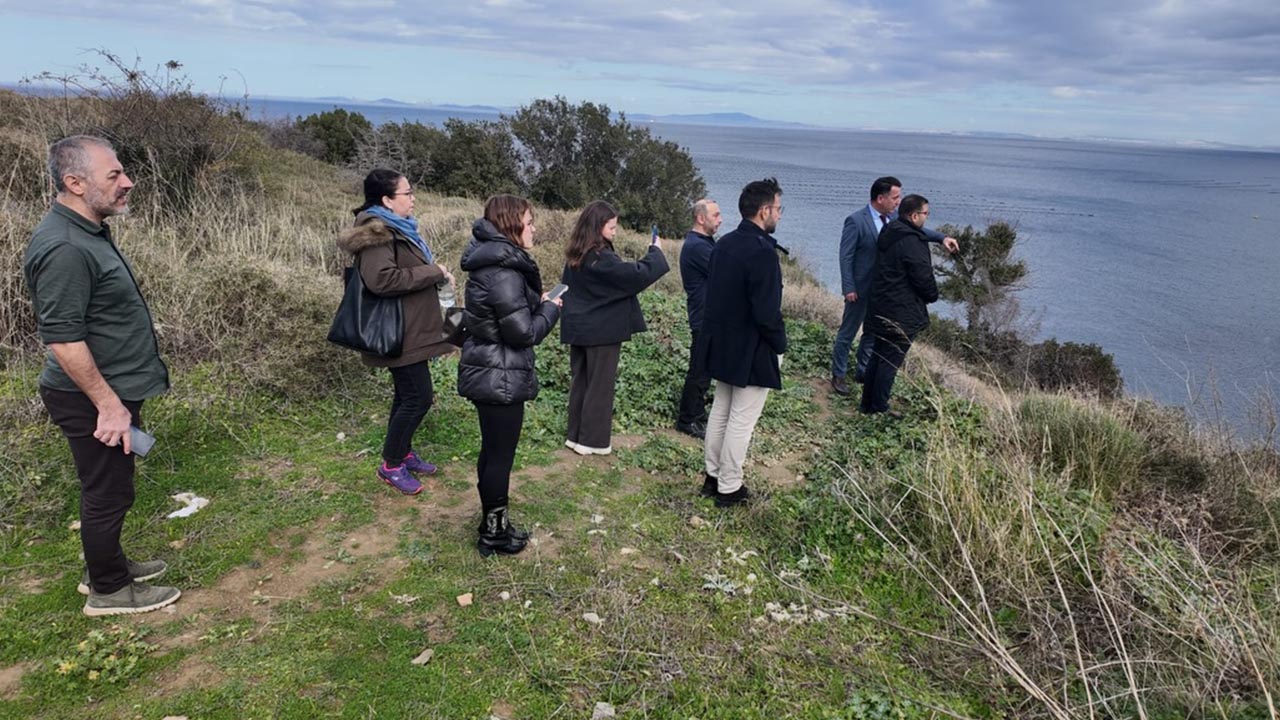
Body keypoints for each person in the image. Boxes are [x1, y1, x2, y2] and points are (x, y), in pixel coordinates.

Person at [23, 135, 180, 616]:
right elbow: (64, 339)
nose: (127, 182)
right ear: (74, 182)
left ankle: (105, 566)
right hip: (91, 396)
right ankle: (109, 590)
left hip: (109, 390)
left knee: (111, 486)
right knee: (108, 491)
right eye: (113, 175)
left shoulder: (84, 231)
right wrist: (108, 405)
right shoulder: (66, 247)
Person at [337, 168, 455, 495]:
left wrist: (437, 276)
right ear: (387, 200)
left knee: (407, 395)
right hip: (400, 333)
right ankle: (391, 464)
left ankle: (401, 452)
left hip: (411, 328)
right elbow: (382, 280)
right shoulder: (378, 233)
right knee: (419, 397)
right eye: (407, 193)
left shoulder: (399, 229)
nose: (413, 198)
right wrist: (434, 272)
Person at [457, 195, 562, 557]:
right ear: (511, 225)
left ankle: (492, 524)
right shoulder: (504, 272)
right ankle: (494, 535)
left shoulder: (493, 264)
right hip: (499, 375)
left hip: (488, 369)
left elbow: (505, 314)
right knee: (499, 458)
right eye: (530, 222)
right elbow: (523, 333)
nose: (534, 229)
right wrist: (551, 309)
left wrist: (536, 301)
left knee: (492, 453)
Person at [698, 178, 787, 507]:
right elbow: (766, 311)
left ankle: (712, 475)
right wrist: (780, 343)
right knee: (741, 419)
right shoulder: (762, 252)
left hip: (721, 339)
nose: (779, 215)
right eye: (778, 209)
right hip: (752, 345)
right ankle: (730, 486)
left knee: (721, 409)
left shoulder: (725, 243)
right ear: (764, 211)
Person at [830, 176, 958, 396]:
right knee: (848, 332)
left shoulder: (893, 220)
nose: (898, 202)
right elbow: (846, 256)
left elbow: (916, 230)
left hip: (883, 291)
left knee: (872, 333)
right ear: (880, 198)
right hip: (860, 289)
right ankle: (838, 375)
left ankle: (863, 371)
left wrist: (941, 238)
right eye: (895, 197)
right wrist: (848, 287)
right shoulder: (856, 221)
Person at [559, 201, 669, 455]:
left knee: (582, 382)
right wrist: (655, 252)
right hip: (601, 330)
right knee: (600, 386)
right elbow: (634, 275)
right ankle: (591, 442)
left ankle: (575, 436)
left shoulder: (578, 253)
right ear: (598, 227)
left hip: (580, 328)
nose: (615, 231)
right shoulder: (601, 257)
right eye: (611, 226)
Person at [859, 194, 940, 417]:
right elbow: (922, 277)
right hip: (901, 311)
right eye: (926, 214)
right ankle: (879, 408)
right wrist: (933, 295)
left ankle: (868, 404)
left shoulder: (890, 231)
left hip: (881, 305)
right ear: (914, 216)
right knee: (890, 361)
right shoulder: (912, 242)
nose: (927, 218)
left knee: (878, 355)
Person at [675, 198, 723, 439]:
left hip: (708, 316)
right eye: (715, 215)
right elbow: (724, 272)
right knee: (699, 369)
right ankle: (687, 419)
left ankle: (697, 412)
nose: (720, 220)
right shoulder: (697, 246)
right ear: (700, 218)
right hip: (703, 317)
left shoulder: (704, 242)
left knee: (705, 369)